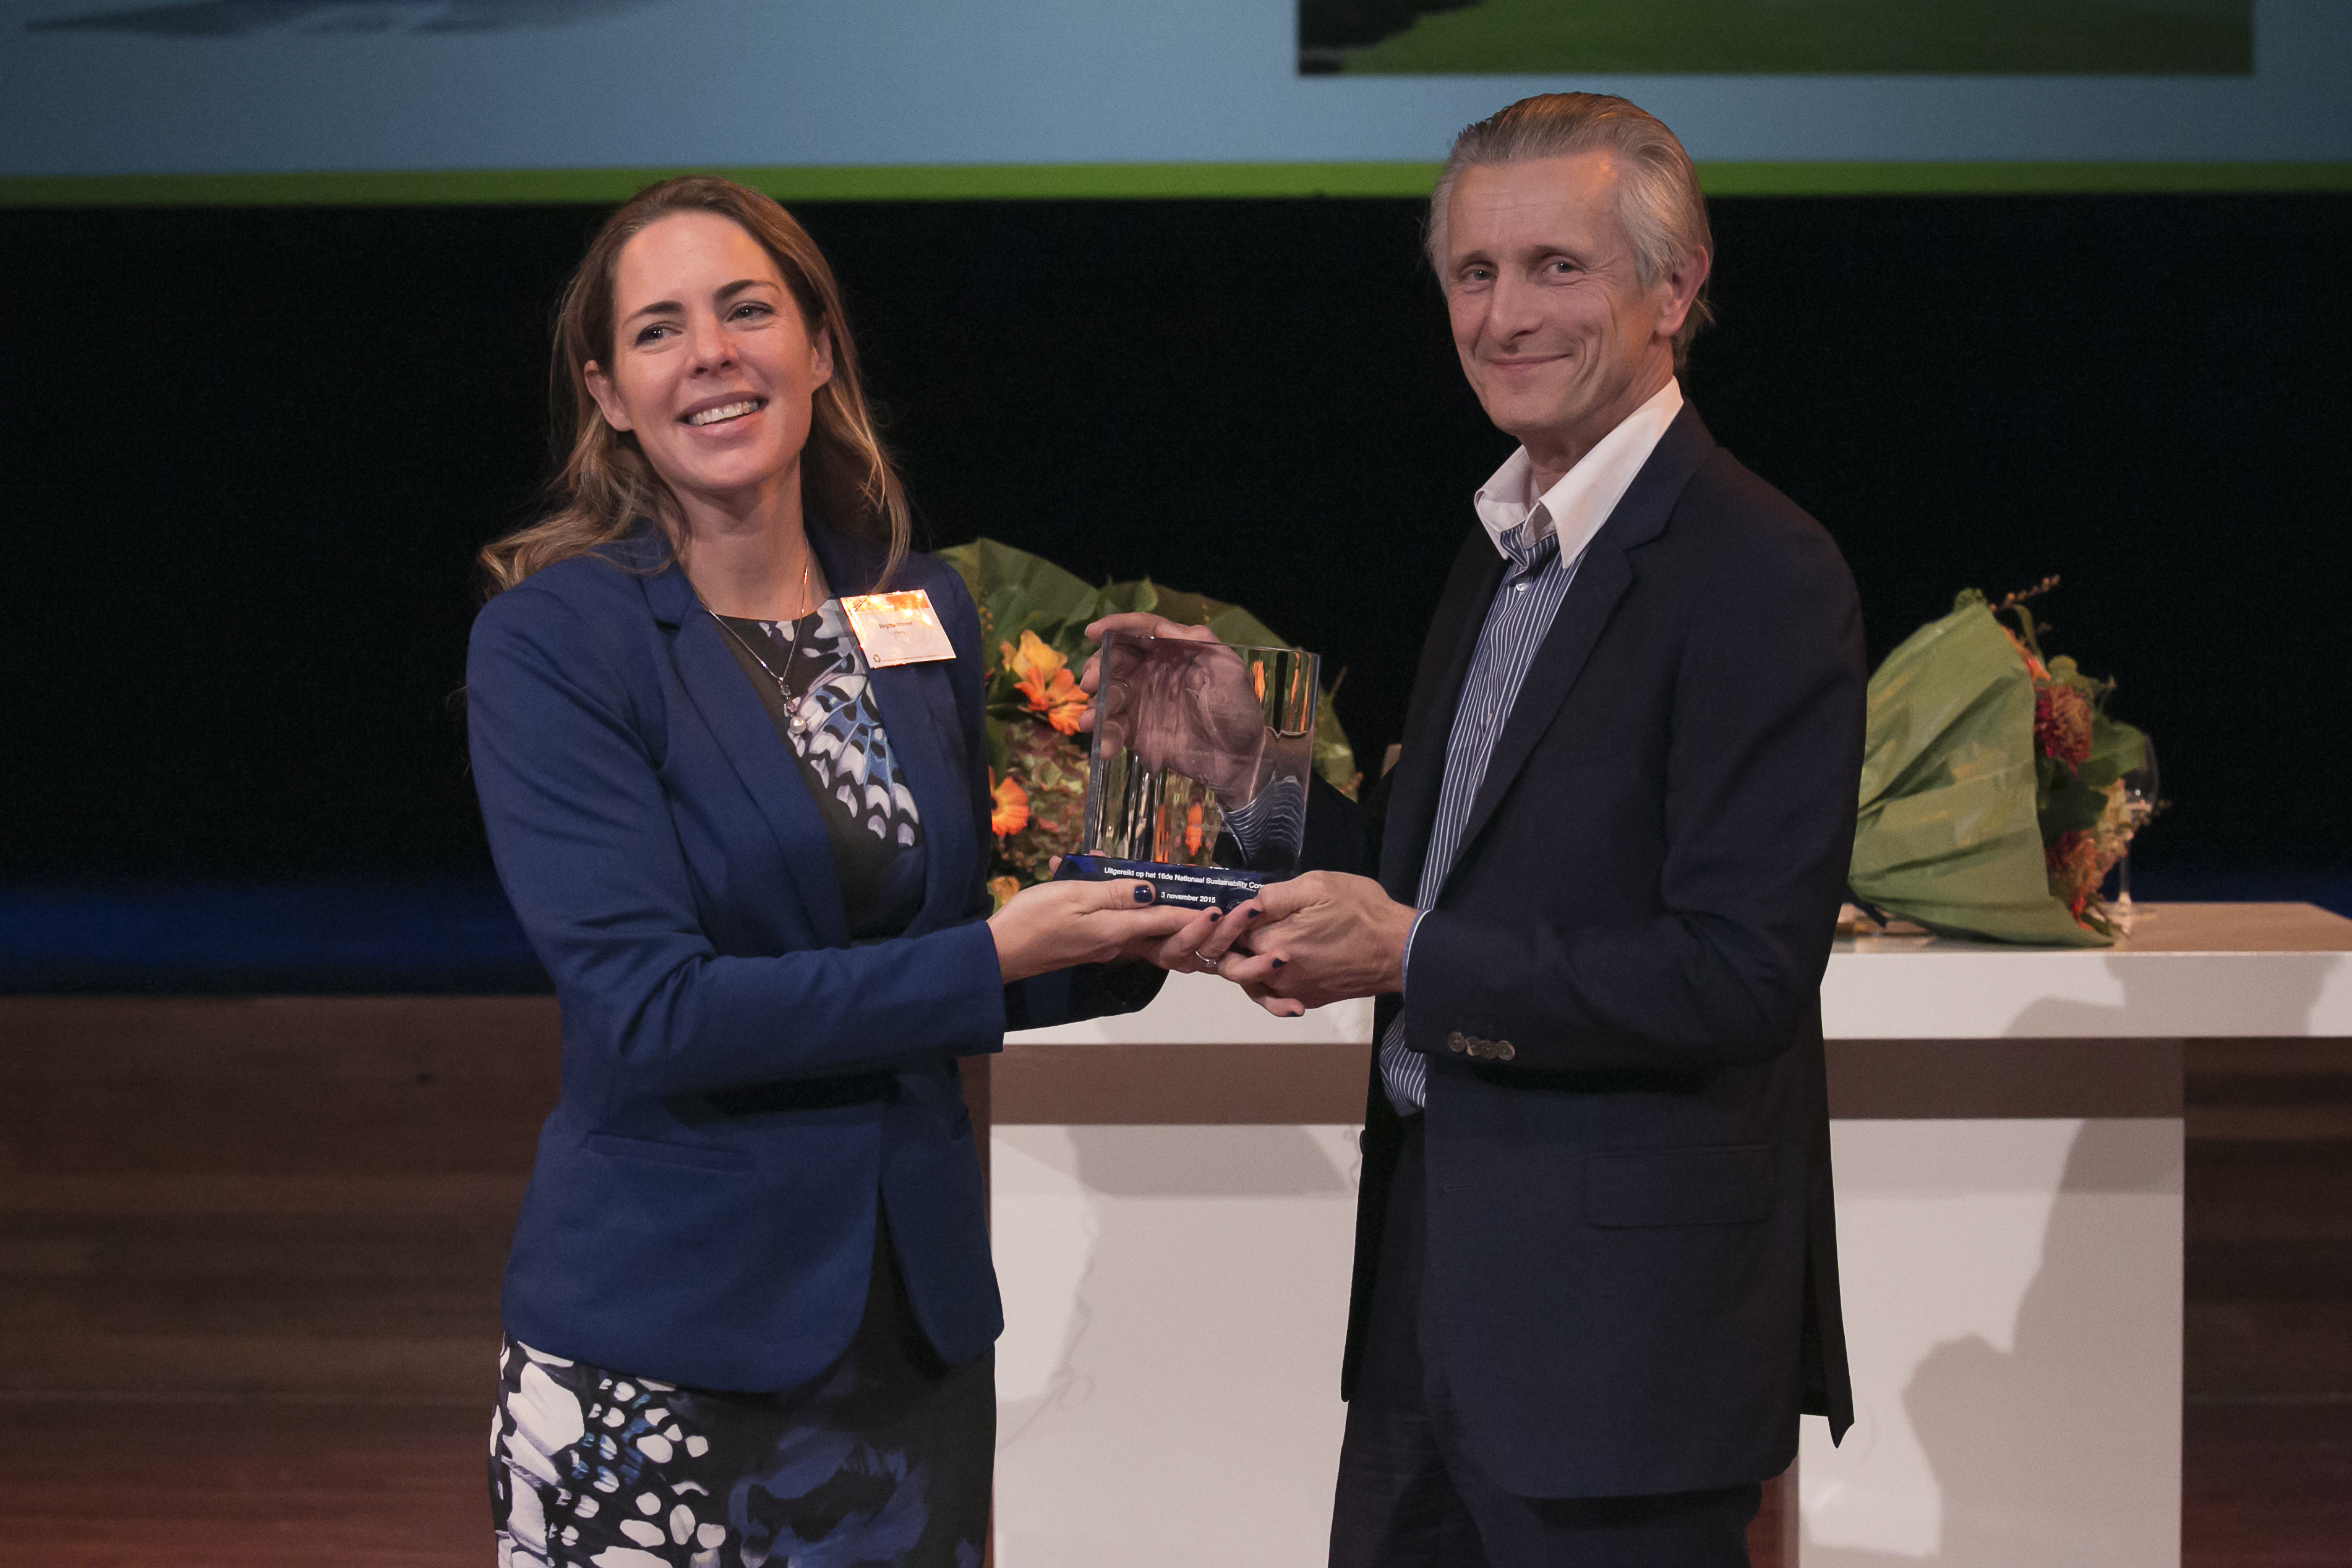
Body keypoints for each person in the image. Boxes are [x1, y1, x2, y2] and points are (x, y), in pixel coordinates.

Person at [1118, 93, 1866, 1565]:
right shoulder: (1503, 547)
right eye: (1474, 272)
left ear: (1676, 286)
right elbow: (1434, 882)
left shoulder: (1761, 569)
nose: (1504, 314)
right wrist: (1249, 771)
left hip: (1622, 1353)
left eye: (1555, 267)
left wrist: (1411, 954)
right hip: (1431, 1312)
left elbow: (1737, 975)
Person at [464, 176, 1196, 1568]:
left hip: (908, 1349)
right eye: (660, 329)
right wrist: (999, 952)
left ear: (817, 346)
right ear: (608, 393)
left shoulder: (916, 604)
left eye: (748, 310)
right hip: (669, 1348)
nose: (712, 354)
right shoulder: (558, 641)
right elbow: (655, 1012)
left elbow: (945, 957)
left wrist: (1160, 890)